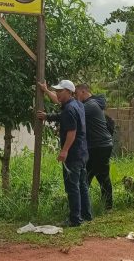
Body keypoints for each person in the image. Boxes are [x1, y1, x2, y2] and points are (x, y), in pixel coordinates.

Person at [38, 82, 114, 210]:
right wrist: (46, 91)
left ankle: (88, 208)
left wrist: (48, 116)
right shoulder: (85, 104)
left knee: (91, 177)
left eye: (76, 93)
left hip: (99, 146)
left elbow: (67, 114)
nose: (75, 96)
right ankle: (98, 207)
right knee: (96, 177)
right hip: (99, 146)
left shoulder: (89, 106)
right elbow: (60, 100)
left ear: (83, 92)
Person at [36, 80, 92, 227]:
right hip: (82, 152)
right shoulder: (77, 104)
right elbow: (61, 112)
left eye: (60, 91)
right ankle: (86, 215)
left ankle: (75, 220)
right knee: (82, 185)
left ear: (68, 92)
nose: (58, 94)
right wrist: (46, 92)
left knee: (72, 186)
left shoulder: (69, 109)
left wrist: (64, 151)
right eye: (57, 91)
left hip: (73, 154)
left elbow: (71, 132)